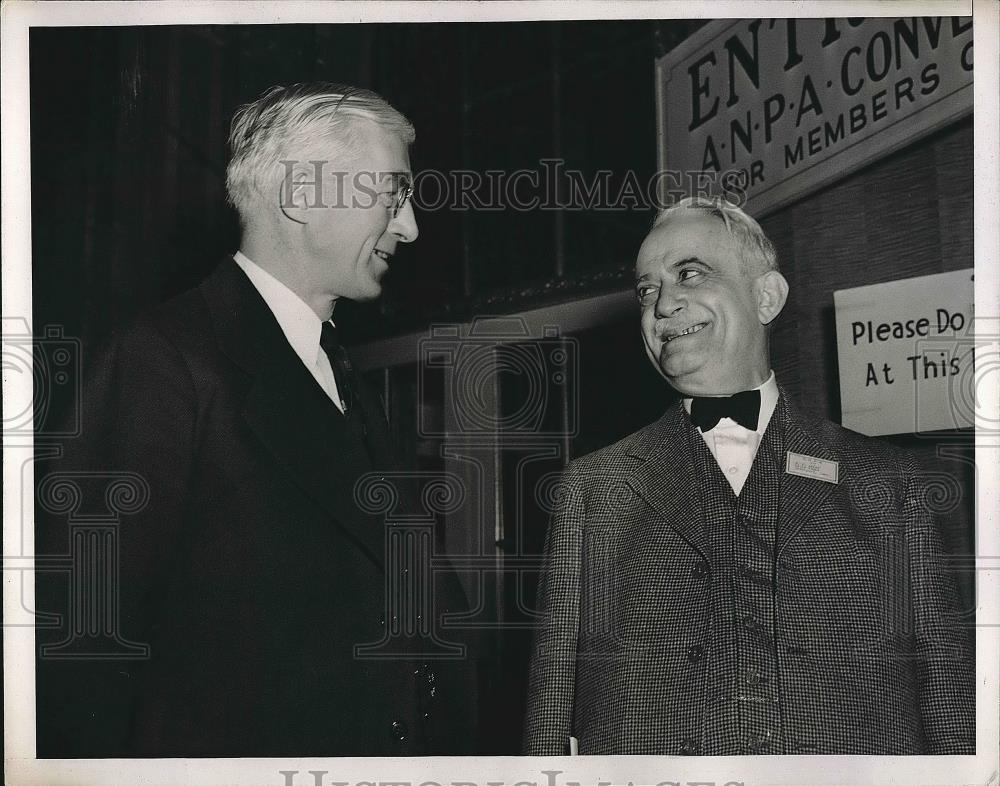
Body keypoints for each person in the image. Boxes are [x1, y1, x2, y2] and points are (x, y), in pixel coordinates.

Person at [36, 82, 473, 757]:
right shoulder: (159, 362)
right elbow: (85, 664)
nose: (411, 225)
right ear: (299, 195)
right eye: (392, 196)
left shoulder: (336, 369)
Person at [523, 196, 975, 755]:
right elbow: (548, 724)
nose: (663, 304)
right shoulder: (594, 491)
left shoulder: (891, 487)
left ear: (766, 296)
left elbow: (955, 713)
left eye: (690, 273)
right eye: (646, 289)